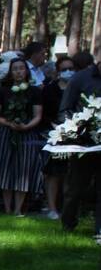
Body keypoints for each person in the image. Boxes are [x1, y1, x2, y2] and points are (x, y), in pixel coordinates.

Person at [0, 58, 44, 217]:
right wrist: (9, 124)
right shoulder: (3, 91)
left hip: (28, 133)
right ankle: (7, 209)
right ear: (10, 72)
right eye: (15, 69)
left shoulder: (35, 91)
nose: (18, 72)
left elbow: (38, 116)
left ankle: (18, 209)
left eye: (21, 68)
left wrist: (26, 126)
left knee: (24, 169)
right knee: (5, 169)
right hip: (7, 133)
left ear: (26, 71)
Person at [59, 53, 101, 242]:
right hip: (83, 144)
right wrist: (76, 127)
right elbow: (65, 109)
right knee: (75, 188)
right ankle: (68, 224)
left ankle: (99, 229)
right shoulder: (80, 78)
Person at [38, 56, 76, 219]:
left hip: (75, 135)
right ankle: (52, 208)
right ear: (58, 71)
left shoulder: (77, 88)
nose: (68, 72)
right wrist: (54, 126)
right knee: (53, 173)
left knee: (70, 173)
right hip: (53, 134)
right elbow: (43, 113)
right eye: (64, 69)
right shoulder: (49, 89)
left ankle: (67, 208)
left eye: (70, 68)